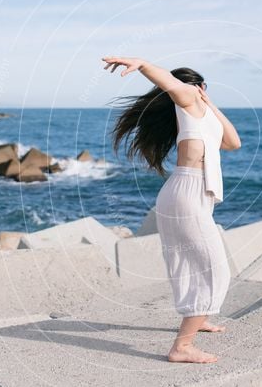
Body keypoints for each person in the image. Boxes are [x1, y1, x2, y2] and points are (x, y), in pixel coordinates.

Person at [102, 56, 242, 363]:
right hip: (186, 194)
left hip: (194, 196)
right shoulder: (187, 99)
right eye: (195, 88)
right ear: (192, 86)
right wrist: (142, 64)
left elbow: (233, 142)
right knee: (216, 270)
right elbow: (170, 83)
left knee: (194, 265)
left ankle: (198, 318)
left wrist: (211, 102)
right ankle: (182, 347)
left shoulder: (201, 114)